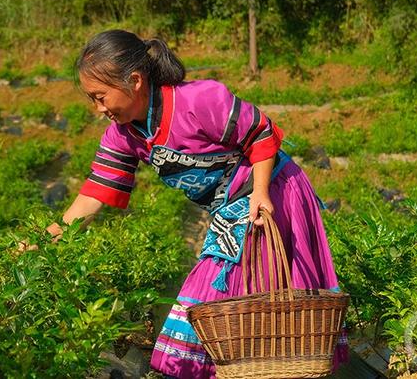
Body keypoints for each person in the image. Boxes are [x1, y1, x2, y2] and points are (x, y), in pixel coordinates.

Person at [44, 29, 343, 378]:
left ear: (135, 81)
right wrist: (45, 240)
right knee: (245, 316)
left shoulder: (199, 100)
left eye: (100, 97)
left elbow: (261, 133)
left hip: (272, 189)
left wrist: (260, 193)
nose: (98, 109)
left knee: (212, 300)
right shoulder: (123, 135)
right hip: (229, 207)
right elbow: (94, 194)